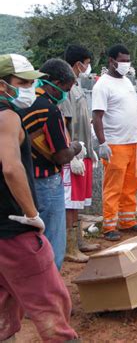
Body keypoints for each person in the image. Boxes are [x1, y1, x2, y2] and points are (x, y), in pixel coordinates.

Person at [0, 53, 78, 343]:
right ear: (1, 85)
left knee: (6, 300)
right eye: (21, 82)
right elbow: (11, 167)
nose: (29, 88)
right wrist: (32, 214)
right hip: (14, 226)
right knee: (52, 302)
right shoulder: (7, 115)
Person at [20, 58, 84, 270]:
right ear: (54, 82)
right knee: (52, 241)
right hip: (46, 180)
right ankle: (49, 288)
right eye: (64, 89)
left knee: (28, 242)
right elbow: (61, 156)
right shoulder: (48, 109)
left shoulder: (18, 105)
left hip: (23, 181)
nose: (64, 94)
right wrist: (76, 147)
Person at [92, 44, 137, 241]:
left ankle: (127, 221)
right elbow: (97, 116)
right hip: (115, 143)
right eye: (122, 60)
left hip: (133, 142)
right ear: (111, 61)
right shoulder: (103, 85)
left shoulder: (126, 82)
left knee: (131, 184)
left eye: (127, 60)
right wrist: (102, 143)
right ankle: (109, 226)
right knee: (113, 186)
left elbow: (131, 111)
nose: (126, 64)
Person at [61, 45, 101, 262]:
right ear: (79, 64)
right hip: (73, 152)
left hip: (83, 149)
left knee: (79, 201)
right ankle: (69, 247)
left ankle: (77, 240)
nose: (88, 68)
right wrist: (73, 153)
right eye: (86, 64)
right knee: (71, 202)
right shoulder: (67, 89)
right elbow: (65, 124)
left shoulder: (75, 86)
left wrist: (90, 149)